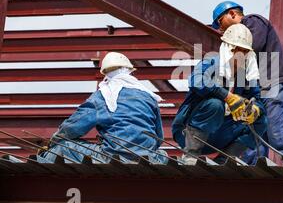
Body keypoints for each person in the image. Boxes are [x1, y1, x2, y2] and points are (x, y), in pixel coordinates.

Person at [211, 1, 283, 162]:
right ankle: (254, 168)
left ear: (232, 14)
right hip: (259, 87)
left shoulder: (252, 22)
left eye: (220, 23)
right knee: (254, 132)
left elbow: (251, 46)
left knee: (277, 125)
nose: (220, 30)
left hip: (273, 81)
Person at [37, 52, 168, 164]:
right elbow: (158, 136)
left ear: (106, 73)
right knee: (163, 154)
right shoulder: (149, 96)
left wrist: (52, 142)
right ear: (130, 71)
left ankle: (40, 170)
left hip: (114, 156)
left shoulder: (103, 96)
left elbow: (72, 128)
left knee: (63, 146)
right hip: (148, 158)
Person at [172, 24, 268, 165]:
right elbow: (196, 80)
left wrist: (254, 110)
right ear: (227, 48)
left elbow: (258, 100)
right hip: (188, 133)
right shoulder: (210, 63)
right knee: (215, 105)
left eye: (244, 51)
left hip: (220, 136)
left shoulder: (247, 75)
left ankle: (225, 160)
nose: (239, 54)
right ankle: (191, 154)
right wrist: (228, 97)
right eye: (236, 49)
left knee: (261, 120)